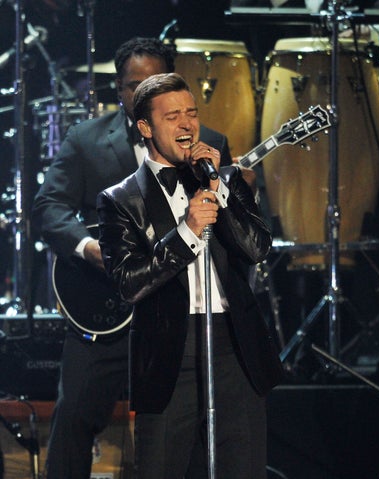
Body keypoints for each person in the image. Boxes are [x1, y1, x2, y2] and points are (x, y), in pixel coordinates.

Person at [31, 37, 245, 478]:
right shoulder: (86, 139)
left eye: (154, 83)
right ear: (119, 90)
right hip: (106, 309)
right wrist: (89, 249)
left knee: (187, 426)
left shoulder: (208, 141)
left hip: (176, 311)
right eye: (132, 86)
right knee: (74, 414)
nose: (141, 94)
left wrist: (239, 193)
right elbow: (47, 207)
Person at [96, 71, 284, 478]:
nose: (186, 125)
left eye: (192, 114)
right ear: (145, 127)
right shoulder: (120, 200)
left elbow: (257, 248)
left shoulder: (223, 180)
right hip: (170, 355)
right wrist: (186, 233)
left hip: (234, 348)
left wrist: (220, 187)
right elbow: (130, 283)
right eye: (172, 116)